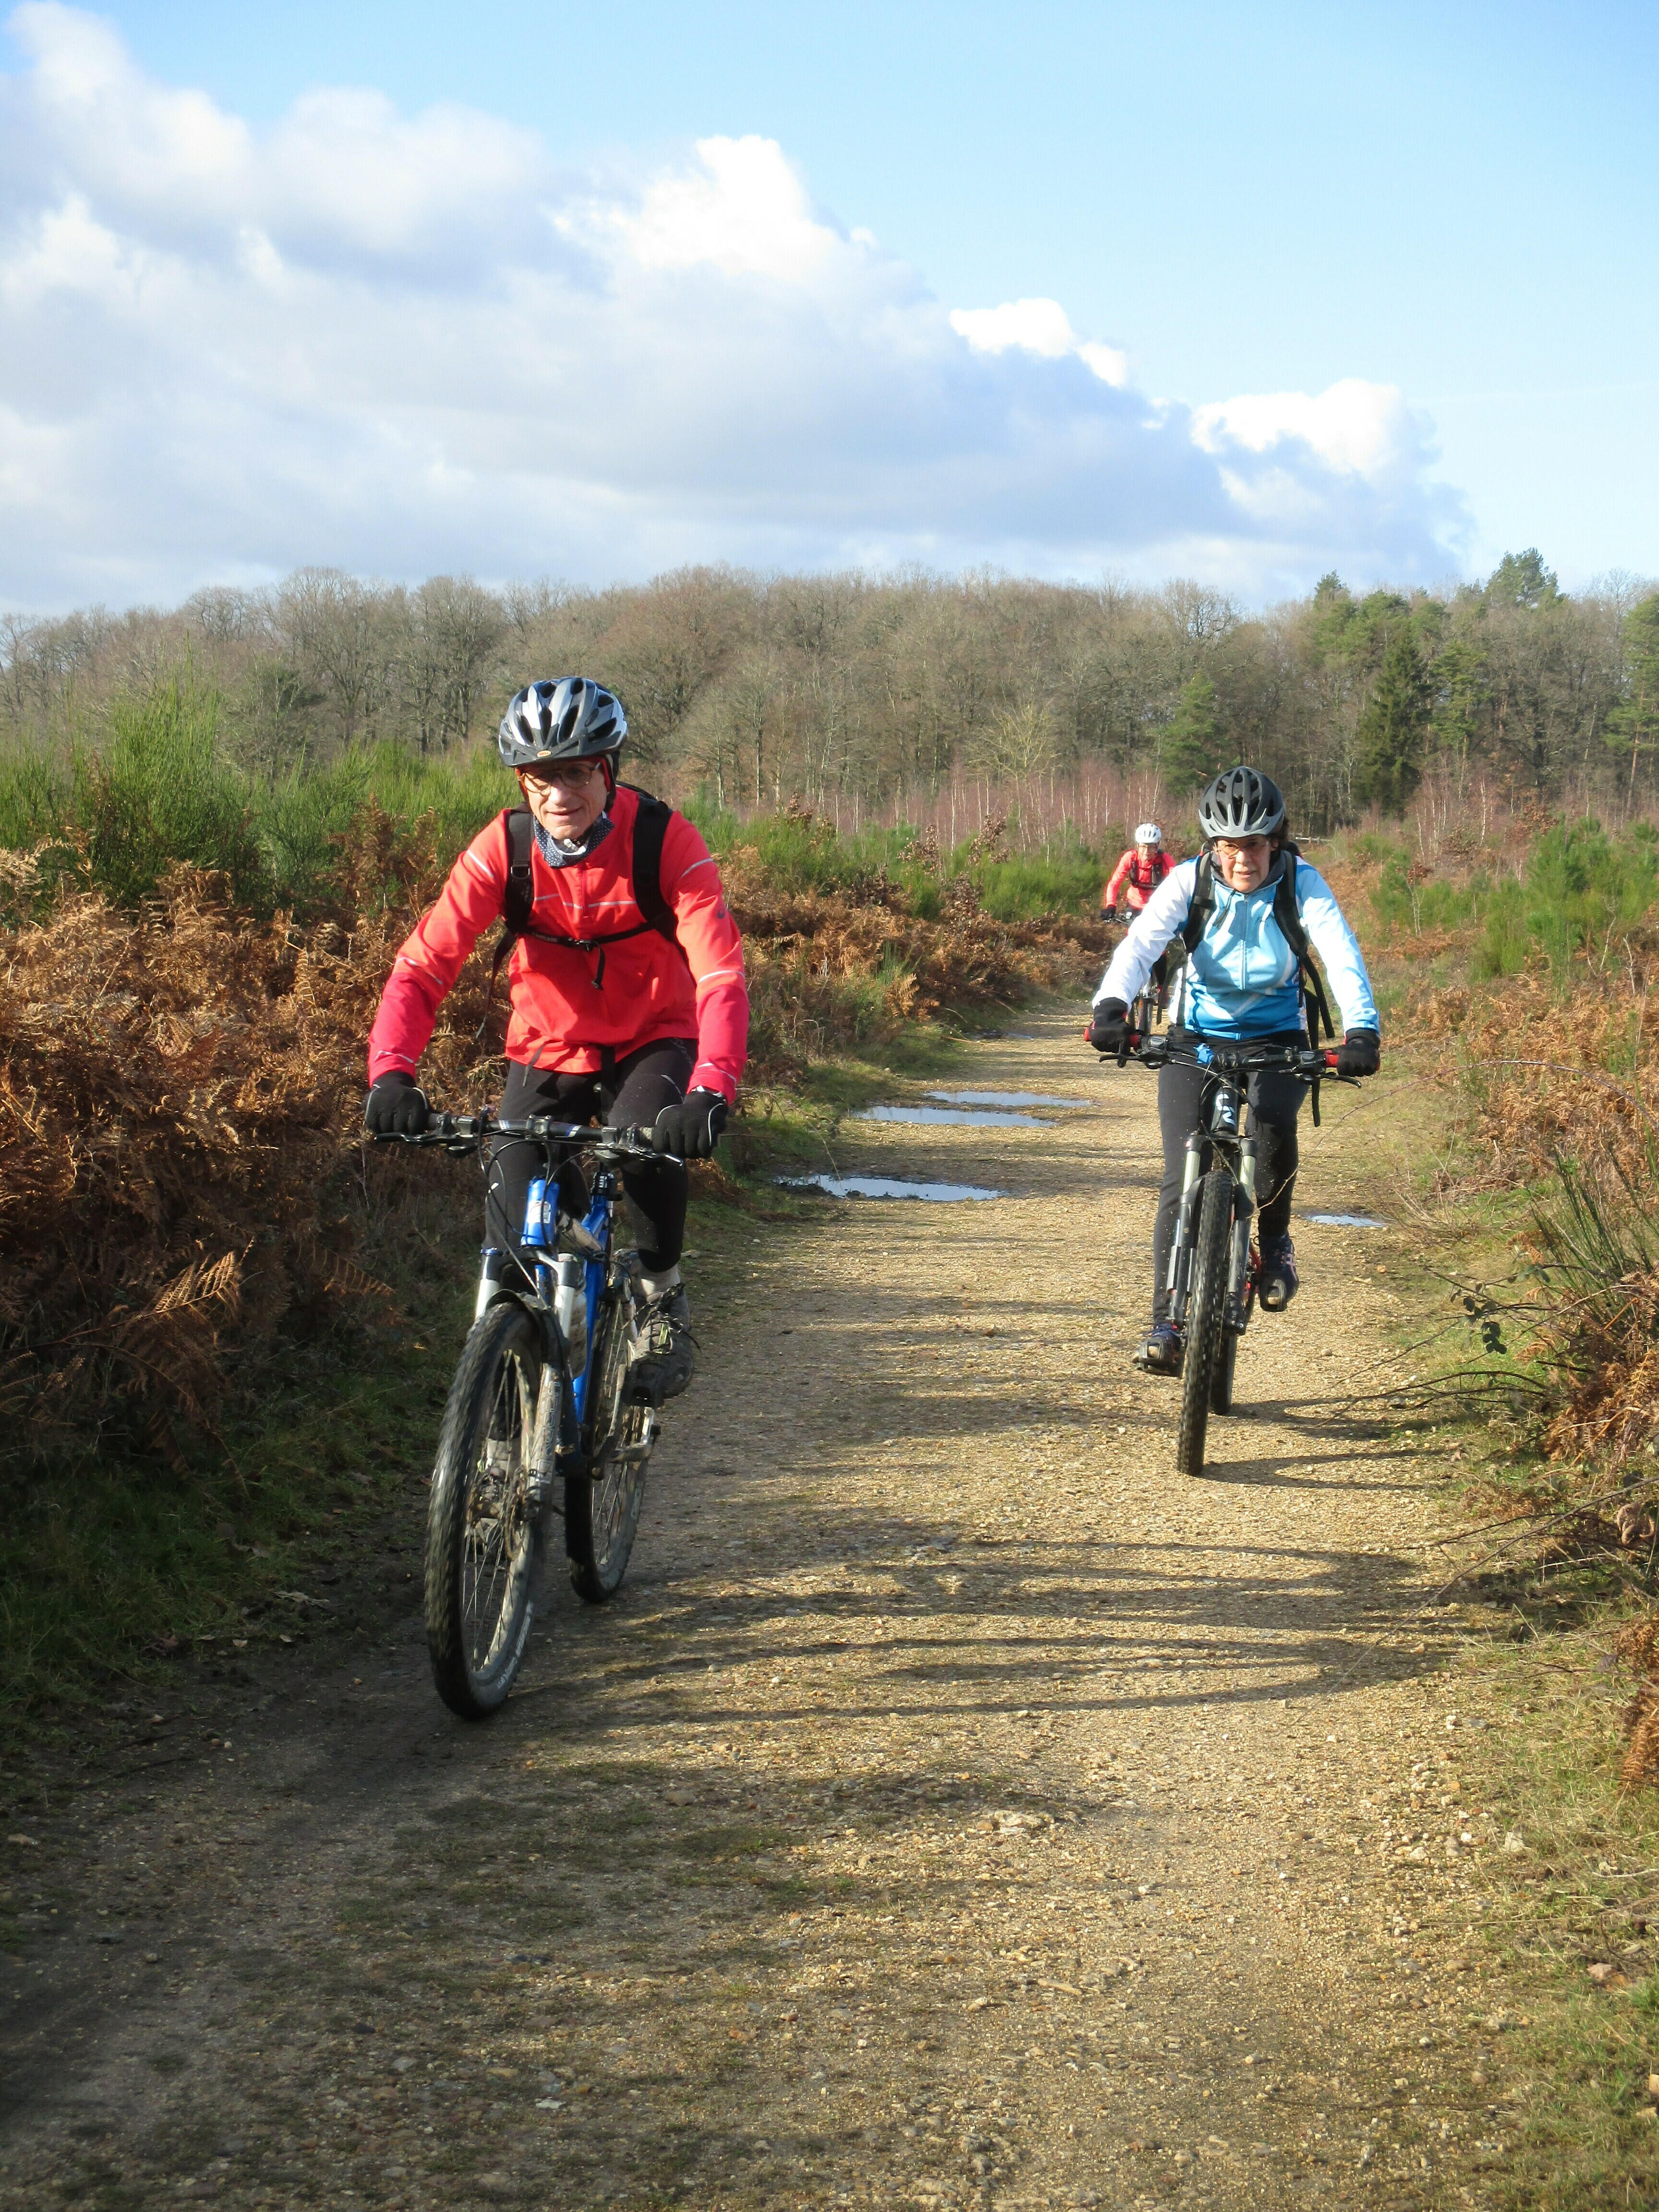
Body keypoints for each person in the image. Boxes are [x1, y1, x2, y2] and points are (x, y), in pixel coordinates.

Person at [363, 677, 748, 1404]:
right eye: (542, 777)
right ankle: (502, 1394)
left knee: (646, 1143)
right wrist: (391, 1074)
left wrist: (709, 1090)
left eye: (576, 773)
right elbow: (422, 967)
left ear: (608, 771)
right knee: (513, 1231)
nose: (559, 793)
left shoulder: (665, 841)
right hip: (547, 1047)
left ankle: (662, 1299)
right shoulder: (503, 850)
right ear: (522, 781)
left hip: (653, 1037)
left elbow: (721, 975)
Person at [1085, 764, 1380, 1375]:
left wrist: (1362, 1030)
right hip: (1197, 1036)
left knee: (1272, 1133)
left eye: (1255, 844)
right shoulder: (1189, 881)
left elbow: (1340, 952)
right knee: (1180, 1173)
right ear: (1212, 845)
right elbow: (1141, 945)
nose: (1242, 858)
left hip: (1277, 1035)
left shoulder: (1301, 883)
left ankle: (1275, 1243)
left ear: (1275, 840)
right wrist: (1111, 1006)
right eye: (1228, 845)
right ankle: (1166, 1321)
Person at [1101, 822, 1175, 922]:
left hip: (1157, 906)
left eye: (1151, 847)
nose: (1146, 852)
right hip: (1134, 905)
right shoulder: (1130, 858)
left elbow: (1177, 883)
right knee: (1132, 931)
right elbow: (1115, 883)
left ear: (1157, 846)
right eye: (1143, 847)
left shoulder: (1165, 860)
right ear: (1137, 846)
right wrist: (1111, 905)